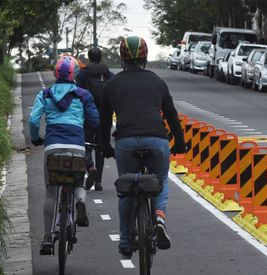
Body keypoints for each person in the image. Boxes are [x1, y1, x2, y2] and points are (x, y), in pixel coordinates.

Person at [100, 35, 187, 258]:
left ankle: (126, 242)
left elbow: (103, 121)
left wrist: (104, 146)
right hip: (156, 139)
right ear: (145, 57)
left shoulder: (112, 84)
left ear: (122, 58)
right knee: (161, 178)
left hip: (126, 141)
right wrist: (180, 142)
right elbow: (171, 115)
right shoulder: (157, 81)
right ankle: (159, 218)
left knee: (127, 189)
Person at [29, 56, 99, 255]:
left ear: (55, 73)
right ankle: (80, 203)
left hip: (53, 147)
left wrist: (36, 139)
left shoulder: (46, 94)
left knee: (51, 192)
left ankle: (47, 238)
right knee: (78, 182)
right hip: (77, 147)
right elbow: (95, 121)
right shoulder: (83, 95)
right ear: (75, 74)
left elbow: (34, 120)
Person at [76, 47, 114, 191]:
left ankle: (90, 166)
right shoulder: (107, 73)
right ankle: (98, 181)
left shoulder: (83, 74)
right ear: (101, 57)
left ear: (89, 58)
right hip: (104, 115)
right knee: (101, 147)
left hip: (87, 114)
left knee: (85, 144)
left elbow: (77, 93)